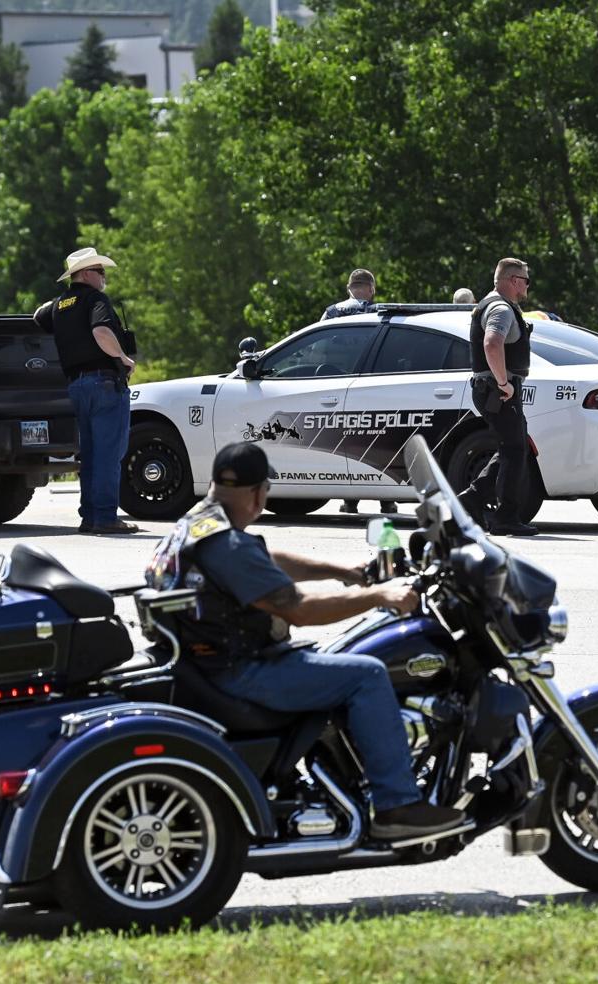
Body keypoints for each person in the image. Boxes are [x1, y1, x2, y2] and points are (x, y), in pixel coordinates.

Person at [145, 442, 466, 839]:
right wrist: (380, 596)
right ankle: (396, 806)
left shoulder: (199, 523)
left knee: (338, 658)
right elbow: (299, 610)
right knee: (367, 674)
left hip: (205, 663)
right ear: (257, 493)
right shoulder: (227, 546)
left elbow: (265, 561)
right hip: (240, 670)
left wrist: (343, 571)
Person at [34, 247, 139, 536]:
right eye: (100, 271)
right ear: (86, 274)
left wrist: (64, 298)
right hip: (104, 383)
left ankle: (90, 517)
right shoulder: (95, 299)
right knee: (109, 454)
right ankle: (105, 517)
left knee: (91, 455)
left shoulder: (59, 305)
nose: (104, 277)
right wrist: (123, 358)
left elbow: (37, 315)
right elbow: (101, 332)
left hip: (77, 387)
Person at [460, 258, 537, 536]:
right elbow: (492, 343)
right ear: (514, 280)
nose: (527, 286)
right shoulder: (500, 309)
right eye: (526, 280)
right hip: (498, 390)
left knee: (513, 447)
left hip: (494, 389)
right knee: (515, 450)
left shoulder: (495, 305)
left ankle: (473, 498)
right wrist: (504, 383)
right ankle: (505, 517)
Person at [323, 268, 397, 516]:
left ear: (349, 288)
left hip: (336, 386)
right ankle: (386, 500)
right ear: (371, 289)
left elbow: (317, 346)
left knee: (345, 440)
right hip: (373, 386)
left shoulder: (332, 313)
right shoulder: (380, 312)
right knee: (378, 439)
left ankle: (350, 500)